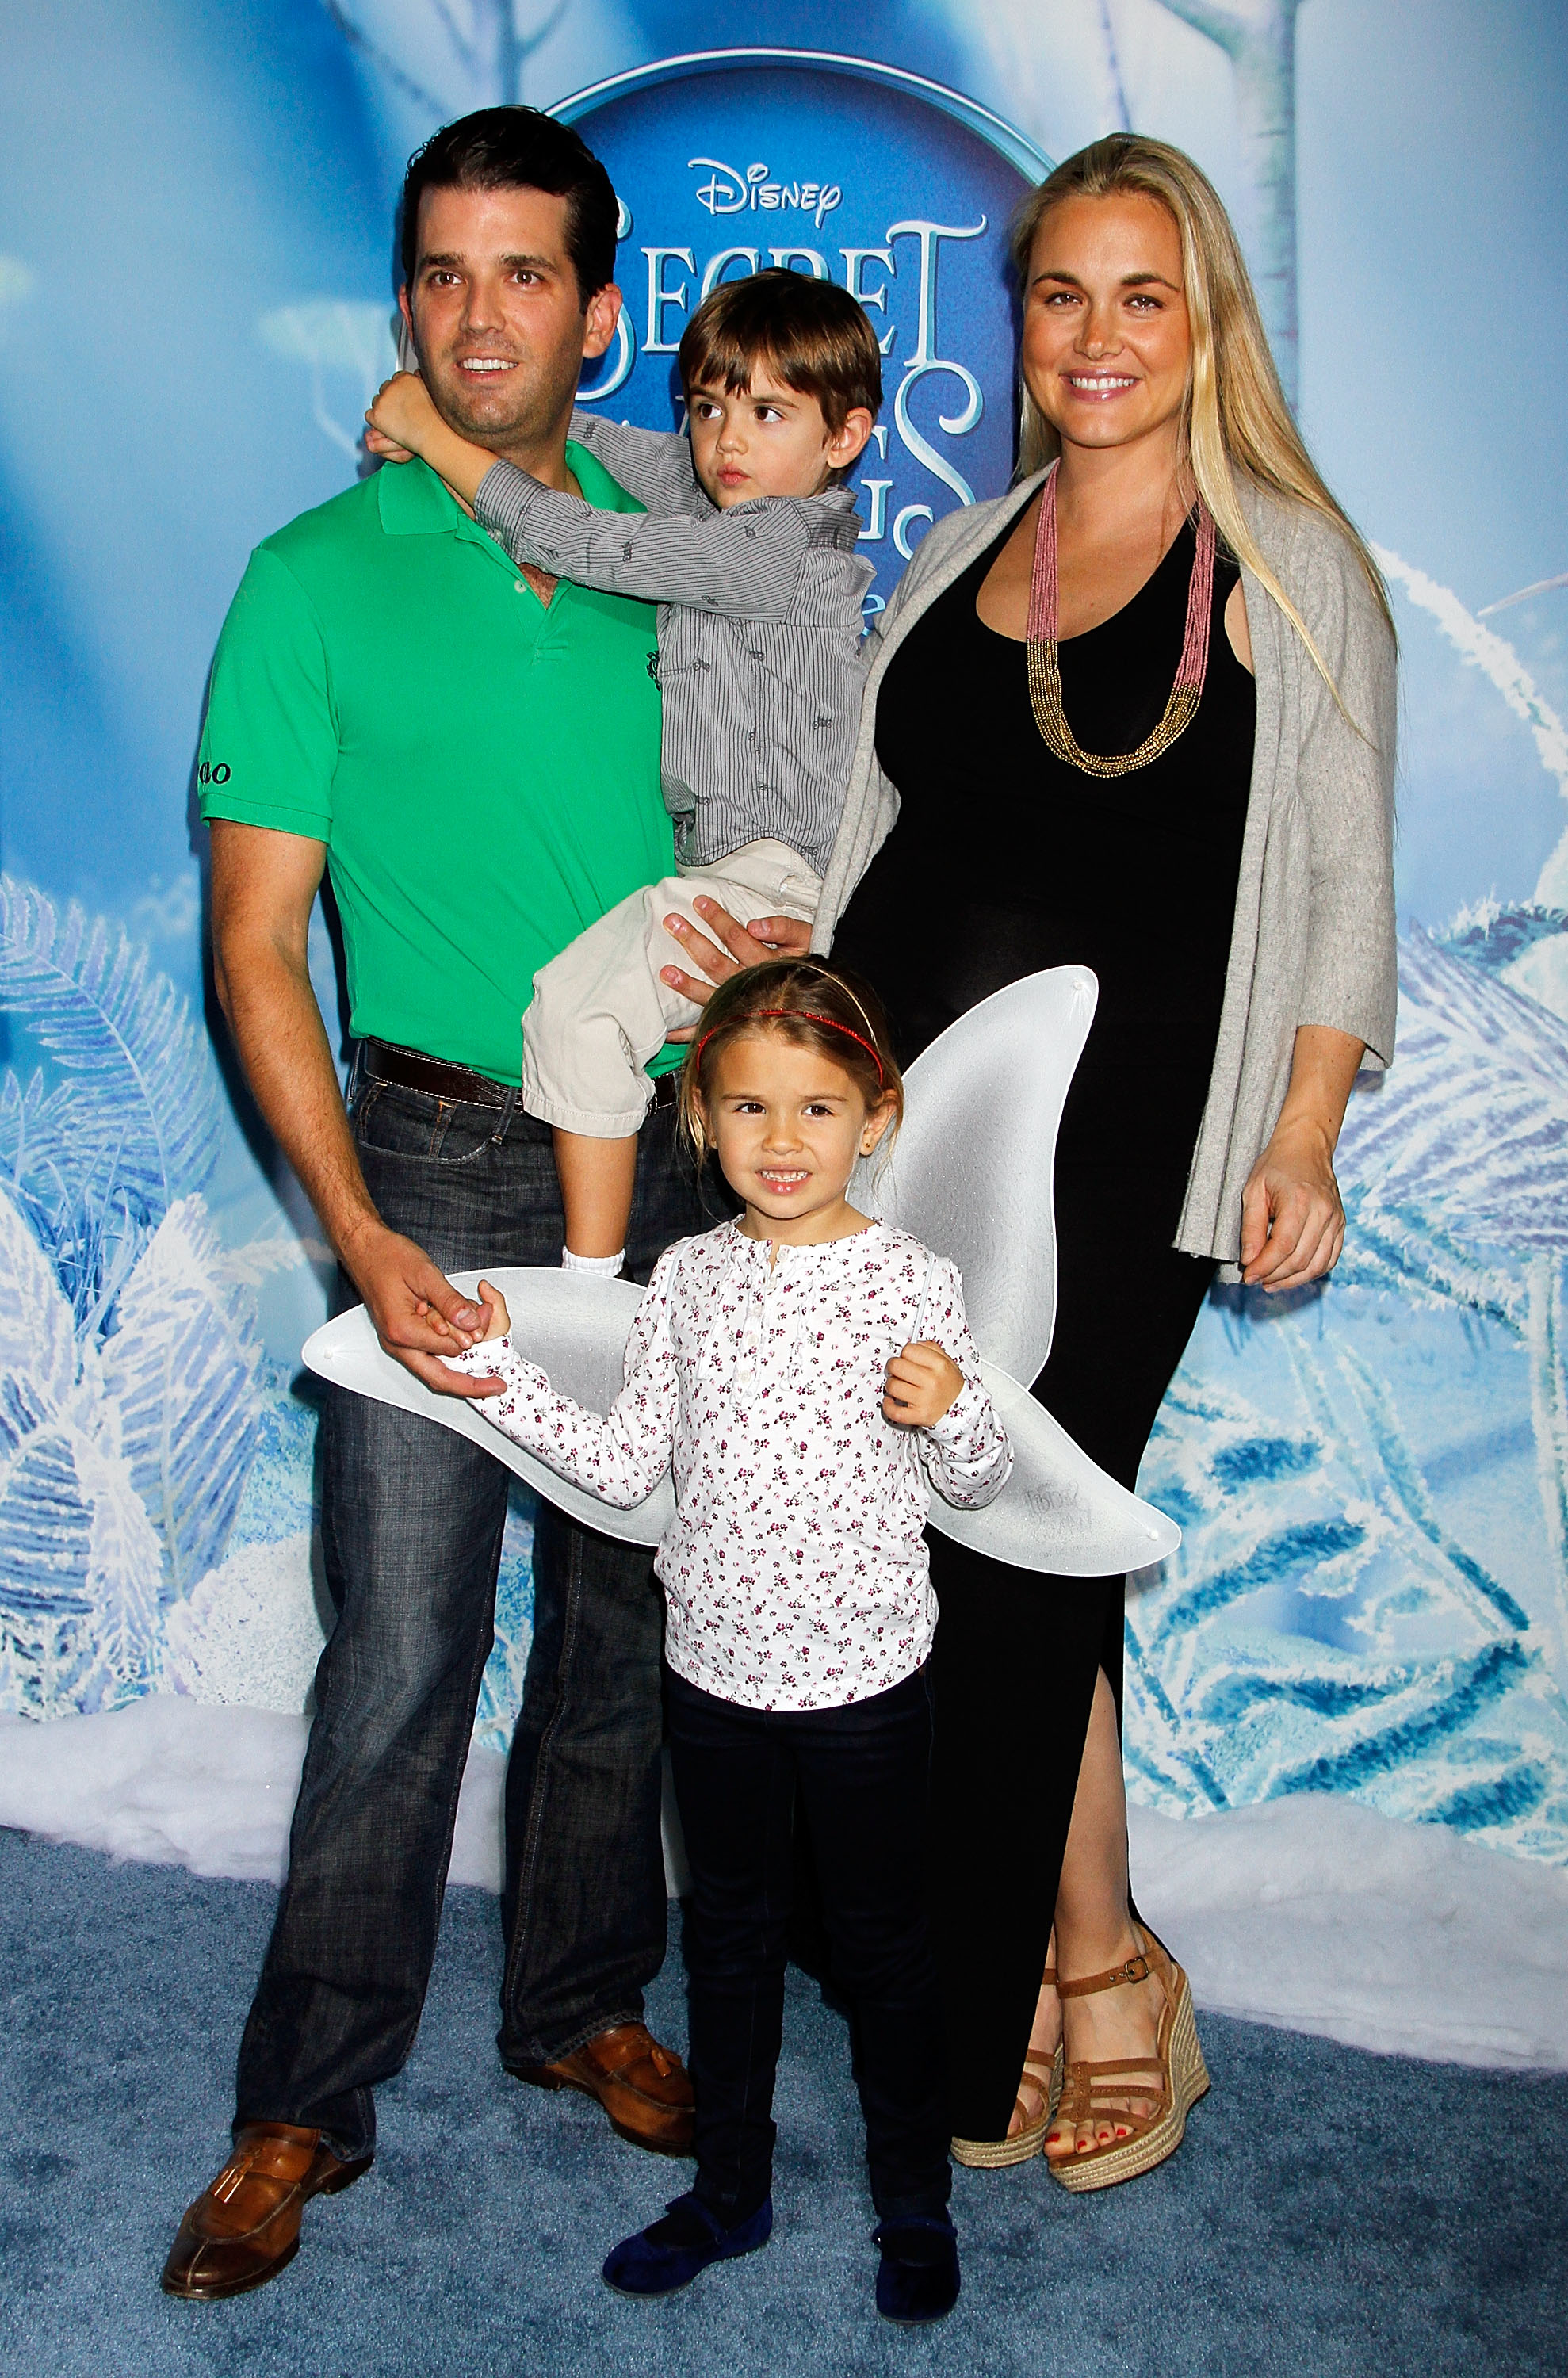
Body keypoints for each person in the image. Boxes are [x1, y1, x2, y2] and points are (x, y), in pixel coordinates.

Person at [656, 134, 1398, 2188]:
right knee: (961, 1530)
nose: (1093, 337)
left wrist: (1308, 1130)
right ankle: (1091, 1963)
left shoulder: (1288, 563)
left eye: (1137, 296)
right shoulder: (969, 544)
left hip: (1128, 1140)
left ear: (1204, 320)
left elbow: (1343, 883)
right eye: (1058, 296)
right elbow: (883, 819)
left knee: (1030, 1534)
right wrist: (788, 1007)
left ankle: (1063, 1978)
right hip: (913, 1137)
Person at [161, 106, 752, 2303]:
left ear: (603, 314)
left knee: (622, 1643)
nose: (477, 313)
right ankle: (300, 2106)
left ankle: (580, 1999)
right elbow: (251, 949)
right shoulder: (306, 583)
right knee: (400, 1658)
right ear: (407, 299)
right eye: (441, 274)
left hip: (675, 1172)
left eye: (525, 276)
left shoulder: (695, 547)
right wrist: (355, 1232)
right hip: (422, 1161)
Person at [438, 961, 1010, 2324]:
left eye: (817, 1109)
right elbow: (629, 1471)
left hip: (869, 1680)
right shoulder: (684, 1281)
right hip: (715, 1683)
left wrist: (953, 1413)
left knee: (882, 1949)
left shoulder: (910, 1279)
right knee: (730, 1947)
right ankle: (729, 2188)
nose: (781, 1140)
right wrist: (503, 1373)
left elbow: (977, 1488)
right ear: (696, 1117)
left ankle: (912, 2200)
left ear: (876, 1119)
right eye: (747, 1106)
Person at [362, 268, 879, 1277]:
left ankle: (591, 1294)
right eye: (707, 409)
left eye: (767, 413)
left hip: (770, 877)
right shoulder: (733, 498)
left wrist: (435, 434)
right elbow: (611, 452)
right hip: (740, 872)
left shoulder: (774, 551)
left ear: (844, 437)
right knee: (591, 1019)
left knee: (577, 1015)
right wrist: (490, 411)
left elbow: (578, 536)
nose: (726, 441)